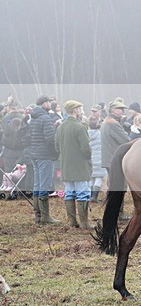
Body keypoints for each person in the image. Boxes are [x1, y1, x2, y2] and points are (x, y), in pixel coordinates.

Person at [55, 100, 92, 229]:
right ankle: (84, 223)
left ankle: (72, 222)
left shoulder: (60, 127)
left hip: (66, 165)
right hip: (80, 166)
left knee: (69, 192)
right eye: (80, 108)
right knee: (83, 193)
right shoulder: (79, 127)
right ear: (75, 110)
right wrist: (88, 157)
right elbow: (86, 149)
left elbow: (57, 147)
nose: (81, 110)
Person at [29, 95, 59, 224]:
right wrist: (55, 153)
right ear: (44, 103)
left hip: (35, 154)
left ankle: (38, 215)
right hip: (45, 155)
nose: (50, 104)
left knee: (37, 184)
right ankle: (45, 216)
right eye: (49, 102)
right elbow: (49, 139)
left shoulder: (33, 118)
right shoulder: (45, 118)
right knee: (44, 185)